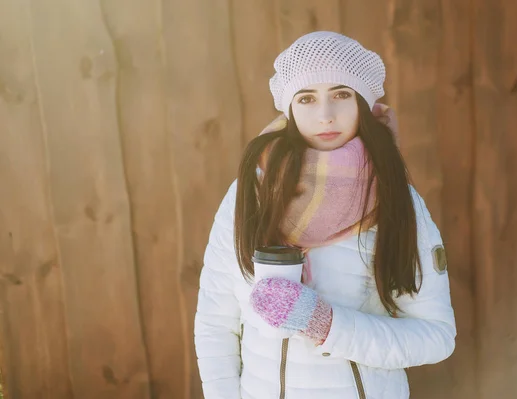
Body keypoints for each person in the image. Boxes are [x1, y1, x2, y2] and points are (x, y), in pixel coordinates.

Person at [194, 31, 456, 399]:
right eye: (306, 98)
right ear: (289, 110)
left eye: (341, 94)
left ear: (362, 103)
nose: (325, 115)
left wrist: (327, 324)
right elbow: (215, 323)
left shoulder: (396, 198)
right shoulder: (250, 193)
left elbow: (436, 337)